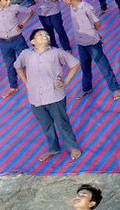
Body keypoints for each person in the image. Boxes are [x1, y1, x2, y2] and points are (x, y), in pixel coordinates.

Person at [15, 29, 82, 162]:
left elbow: (75, 64)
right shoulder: (26, 54)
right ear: (33, 41)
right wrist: (26, 82)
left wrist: (66, 82)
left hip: (54, 95)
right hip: (35, 98)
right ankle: (53, 148)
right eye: (40, 35)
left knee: (62, 123)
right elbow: (17, 66)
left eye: (46, 35)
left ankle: (73, 147)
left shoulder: (56, 52)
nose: (45, 36)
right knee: (46, 125)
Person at [60, 0, 120, 98]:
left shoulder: (87, 8)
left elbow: (97, 23)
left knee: (103, 66)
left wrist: (92, 33)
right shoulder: (72, 7)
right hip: (81, 43)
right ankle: (87, 88)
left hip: (92, 43)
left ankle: (115, 89)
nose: (63, 1)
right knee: (85, 66)